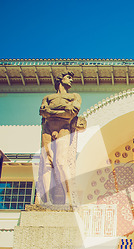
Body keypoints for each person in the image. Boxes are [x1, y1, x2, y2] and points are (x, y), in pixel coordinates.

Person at [38, 71, 86, 205]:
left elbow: (72, 112)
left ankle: (68, 197)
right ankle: (46, 200)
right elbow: (43, 112)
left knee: (60, 162)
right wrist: (63, 109)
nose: (71, 80)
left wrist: (52, 112)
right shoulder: (48, 97)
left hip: (64, 129)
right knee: (47, 164)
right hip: (48, 129)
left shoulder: (75, 96)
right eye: (69, 78)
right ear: (60, 79)